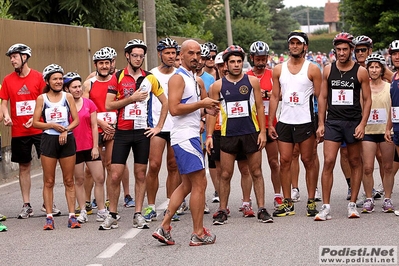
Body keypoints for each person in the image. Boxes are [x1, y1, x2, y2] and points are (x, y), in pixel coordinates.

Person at [152, 39, 219, 246]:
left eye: (198, 53)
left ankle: (164, 226)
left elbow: (190, 107)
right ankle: (198, 232)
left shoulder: (194, 80)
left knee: (187, 184)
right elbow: (174, 109)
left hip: (190, 136)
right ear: (181, 56)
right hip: (184, 137)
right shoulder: (177, 78)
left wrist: (206, 110)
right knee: (200, 183)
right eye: (190, 53)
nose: (195, 57)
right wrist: (202, 103)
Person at [100, 39, 168, 230]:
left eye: (141, 56)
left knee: (140, 174)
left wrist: (158, 127)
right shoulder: (118, 76)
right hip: (122, 131)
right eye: (135, 55)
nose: (138, 59)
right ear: (127, 56)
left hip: (142, 133)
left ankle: (138, 213)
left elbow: (166, 103)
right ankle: (112, 214)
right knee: (114, 175)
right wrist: (131, 99)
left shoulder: (150, 78)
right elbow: (108, 104)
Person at [206, 45, 273, 225]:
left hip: (251, 133)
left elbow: (259, 107)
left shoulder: (252, 82)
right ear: (225, 64)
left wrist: (263, 132)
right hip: (228, 135)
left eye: (238, 61)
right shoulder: (217, 86)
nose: (236, 65)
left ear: (243, 62)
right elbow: (213, 112)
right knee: (225, 174)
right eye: (232, 62)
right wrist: (210, 136)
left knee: (256, 172)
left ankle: (261, 208)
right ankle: (222, 210)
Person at [315, 32, 372, 221]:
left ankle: (353, 204)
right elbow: (322, 97)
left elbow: (367, 99)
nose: (341, 53)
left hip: (353, 122)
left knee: (355, 162)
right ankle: (325, 207)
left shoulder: (360, 71)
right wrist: (321, 123)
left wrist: (363, 124)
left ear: (351, 50)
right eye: (338, 49)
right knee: (329, 161)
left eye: (345, 49)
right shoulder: (327, 70)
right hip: (333, 122)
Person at [0, 43, 61, 219]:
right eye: (10, 57)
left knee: (47, 165)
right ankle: (26, 205)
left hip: (40, 129)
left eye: (15, 56)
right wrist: (6, 116)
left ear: (25, 57)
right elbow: (4, 102)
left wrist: (35, 117)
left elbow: (47, 100)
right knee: (24, 167)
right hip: (19, 132)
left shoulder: (39, 78)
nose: (12, 60)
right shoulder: (8, 80)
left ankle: (47, 202)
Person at [268, 31, 322, 217]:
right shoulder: (278, 69)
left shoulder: (312, 69)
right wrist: (270, 123)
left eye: (298, 43)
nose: (294, 46)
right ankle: (287, 202)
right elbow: (275, 96)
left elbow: (321, 97)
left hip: (305, 121)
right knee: (284, 161)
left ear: (305, 46)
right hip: (285, 122)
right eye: (292, 43)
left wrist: (321, 123)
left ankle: (311, 200)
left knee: (308, 160)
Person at [83, 48, 133, 213]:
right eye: (101, 63)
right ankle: (86, 201)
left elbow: (123, 104)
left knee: (112, 165)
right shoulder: (89, 83)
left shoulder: (118, 80)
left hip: (114, 128)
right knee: (90, 169)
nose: (104, 66)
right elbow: (83, 109)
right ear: (96, 65)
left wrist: (113, 126)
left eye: (107, 63)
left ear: (112, 63)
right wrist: (101, 123)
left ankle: (111, 202)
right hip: (95, 128)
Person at [32, 64, 80, 230]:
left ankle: (72, 216)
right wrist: (51, 125)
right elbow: (36, 122)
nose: (59, 81)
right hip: (49, 140)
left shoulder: (67, 97)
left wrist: (66, 130)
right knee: (49, 180)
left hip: (67, 139)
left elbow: (76, 120)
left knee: (69, 180)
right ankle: (49, 217)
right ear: (48, 81)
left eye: (61, 78)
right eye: (55, 79)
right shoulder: (42, 99)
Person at [144, 38, 181, 222]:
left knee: (173, 166)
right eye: (167, 52)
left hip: (175, 125)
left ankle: (170, 205)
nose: (171, 56)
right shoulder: (151, 75)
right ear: (160, 54)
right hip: (156, 126)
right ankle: (150, 206)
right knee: (154, 165)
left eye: (173, 53)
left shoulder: (180, 74)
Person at [63, 72, 107, 223]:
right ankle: (82, 210)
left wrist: (95, 146)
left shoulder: (89, 104)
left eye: (79, 86)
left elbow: (95, 126)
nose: (77, 90)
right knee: (79, 180)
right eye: (73, 87)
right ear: (67, 89)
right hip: (73, 148)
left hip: (89, 146)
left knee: (99, 178)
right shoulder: (65, 105)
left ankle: (101, 209)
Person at [246, 40, 282, 209]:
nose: (261, 61)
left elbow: (281, 95)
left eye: (263, 58)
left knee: (274, 162)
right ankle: (248, 200)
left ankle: (278, 195)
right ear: (252, 58)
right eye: (258, 58)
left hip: (270, 124)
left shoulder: (273, 73)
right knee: (252, 166)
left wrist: (266, 93)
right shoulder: (246, 75)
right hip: (253, 125)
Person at [361, 54, 394, 213]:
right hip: (368, 132)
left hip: (386, 131)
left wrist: (389, 128)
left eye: (377, 67)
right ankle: (369, 198)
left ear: (382, 69)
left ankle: (387, 198)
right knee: (367, 167)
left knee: (387, 167)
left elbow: (393, 109)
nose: (374, 70)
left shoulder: (390, 87)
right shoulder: (363, 88)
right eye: (371, 67)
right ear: (367, 69)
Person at [386, 40, 399, 213]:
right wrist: (388, 127)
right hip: (396, 127)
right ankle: (387, 195)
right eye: (394, 53)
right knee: (394, 165)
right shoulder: (394, 77)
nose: (397, 57)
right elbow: (392, 105)